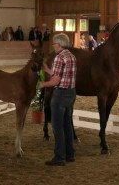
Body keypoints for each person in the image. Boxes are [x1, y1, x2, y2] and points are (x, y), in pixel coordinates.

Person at [40, 33, 77, 166]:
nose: (53, 46)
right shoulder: (71, 56)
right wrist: (48, 70)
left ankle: (59, 157)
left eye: (54, 44)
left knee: (57, 127)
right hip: (71, 93)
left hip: (60, 95)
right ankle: (70, 154)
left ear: (59, 44)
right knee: (67, 125)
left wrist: (43, 84)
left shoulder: (58, 58)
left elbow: (56, 81)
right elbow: (62, 74)